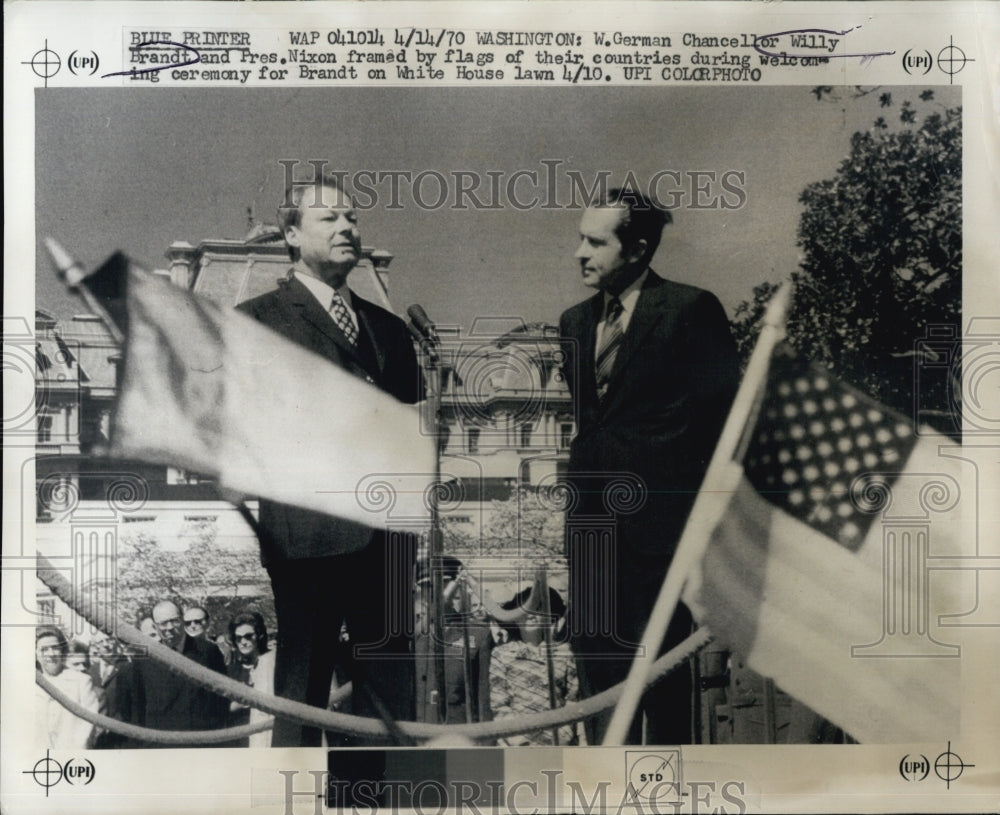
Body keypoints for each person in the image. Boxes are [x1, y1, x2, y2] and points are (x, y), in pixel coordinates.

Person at [237, 170, 422, 746]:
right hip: (307, 539)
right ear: (292, 234)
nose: (347, 227)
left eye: (352, 217)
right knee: (303, 693)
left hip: (386, 541)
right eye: (329, 218)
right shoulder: (256, 321)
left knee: (387, 705)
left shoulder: (391, 330)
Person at [558, 188, 740, 745]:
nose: (579, 252)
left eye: (595, 241)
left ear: (637, 249)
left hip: (663, 539)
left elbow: (725, 424)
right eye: (579, 238)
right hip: (592, 535)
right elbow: (595, 423)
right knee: (600, 691)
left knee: (665, 693)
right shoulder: (573, 322)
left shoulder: (689, 309)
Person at [129, 600, 229, 746]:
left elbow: (222, 698)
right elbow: (138, 706)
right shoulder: (145, 658)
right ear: (155, 627)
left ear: (182, 619)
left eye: (174, 621)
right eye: (163, 623)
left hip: (200, 743)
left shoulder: (208, 652)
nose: (169, 628)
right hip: (160, 746)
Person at [488, 586, 579, 746]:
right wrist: (519, 740)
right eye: (523, 610)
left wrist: (563, 735)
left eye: (537, 609)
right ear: (514, 618)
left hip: (559, 740)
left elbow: (572, 699)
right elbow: (499, 704)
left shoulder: (564, 652)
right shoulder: (502, 654)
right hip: (517, 741)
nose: (530, 615)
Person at [35, 627, 100, 749]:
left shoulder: (81, 681)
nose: (51, 654)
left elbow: (89, 722)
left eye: (55, 648)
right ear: (36, 654)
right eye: (44, 649)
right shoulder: (31, 684)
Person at [226, 611, 276, 748]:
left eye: (248, 636)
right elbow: (221, 708)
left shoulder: (272, 664)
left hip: (269, 735)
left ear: (259, 635)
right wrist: (236, 705)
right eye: (238, 638)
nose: (243, 642)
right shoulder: (231, 670)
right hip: (240, 738)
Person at [87, 633, 134, 749]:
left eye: (109, 640)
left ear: (116, 642)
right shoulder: (91, 671)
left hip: (123, 736)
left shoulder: (128, 667)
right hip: (99, 739)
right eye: (101, 642)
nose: (106, 645)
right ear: (96, 646)